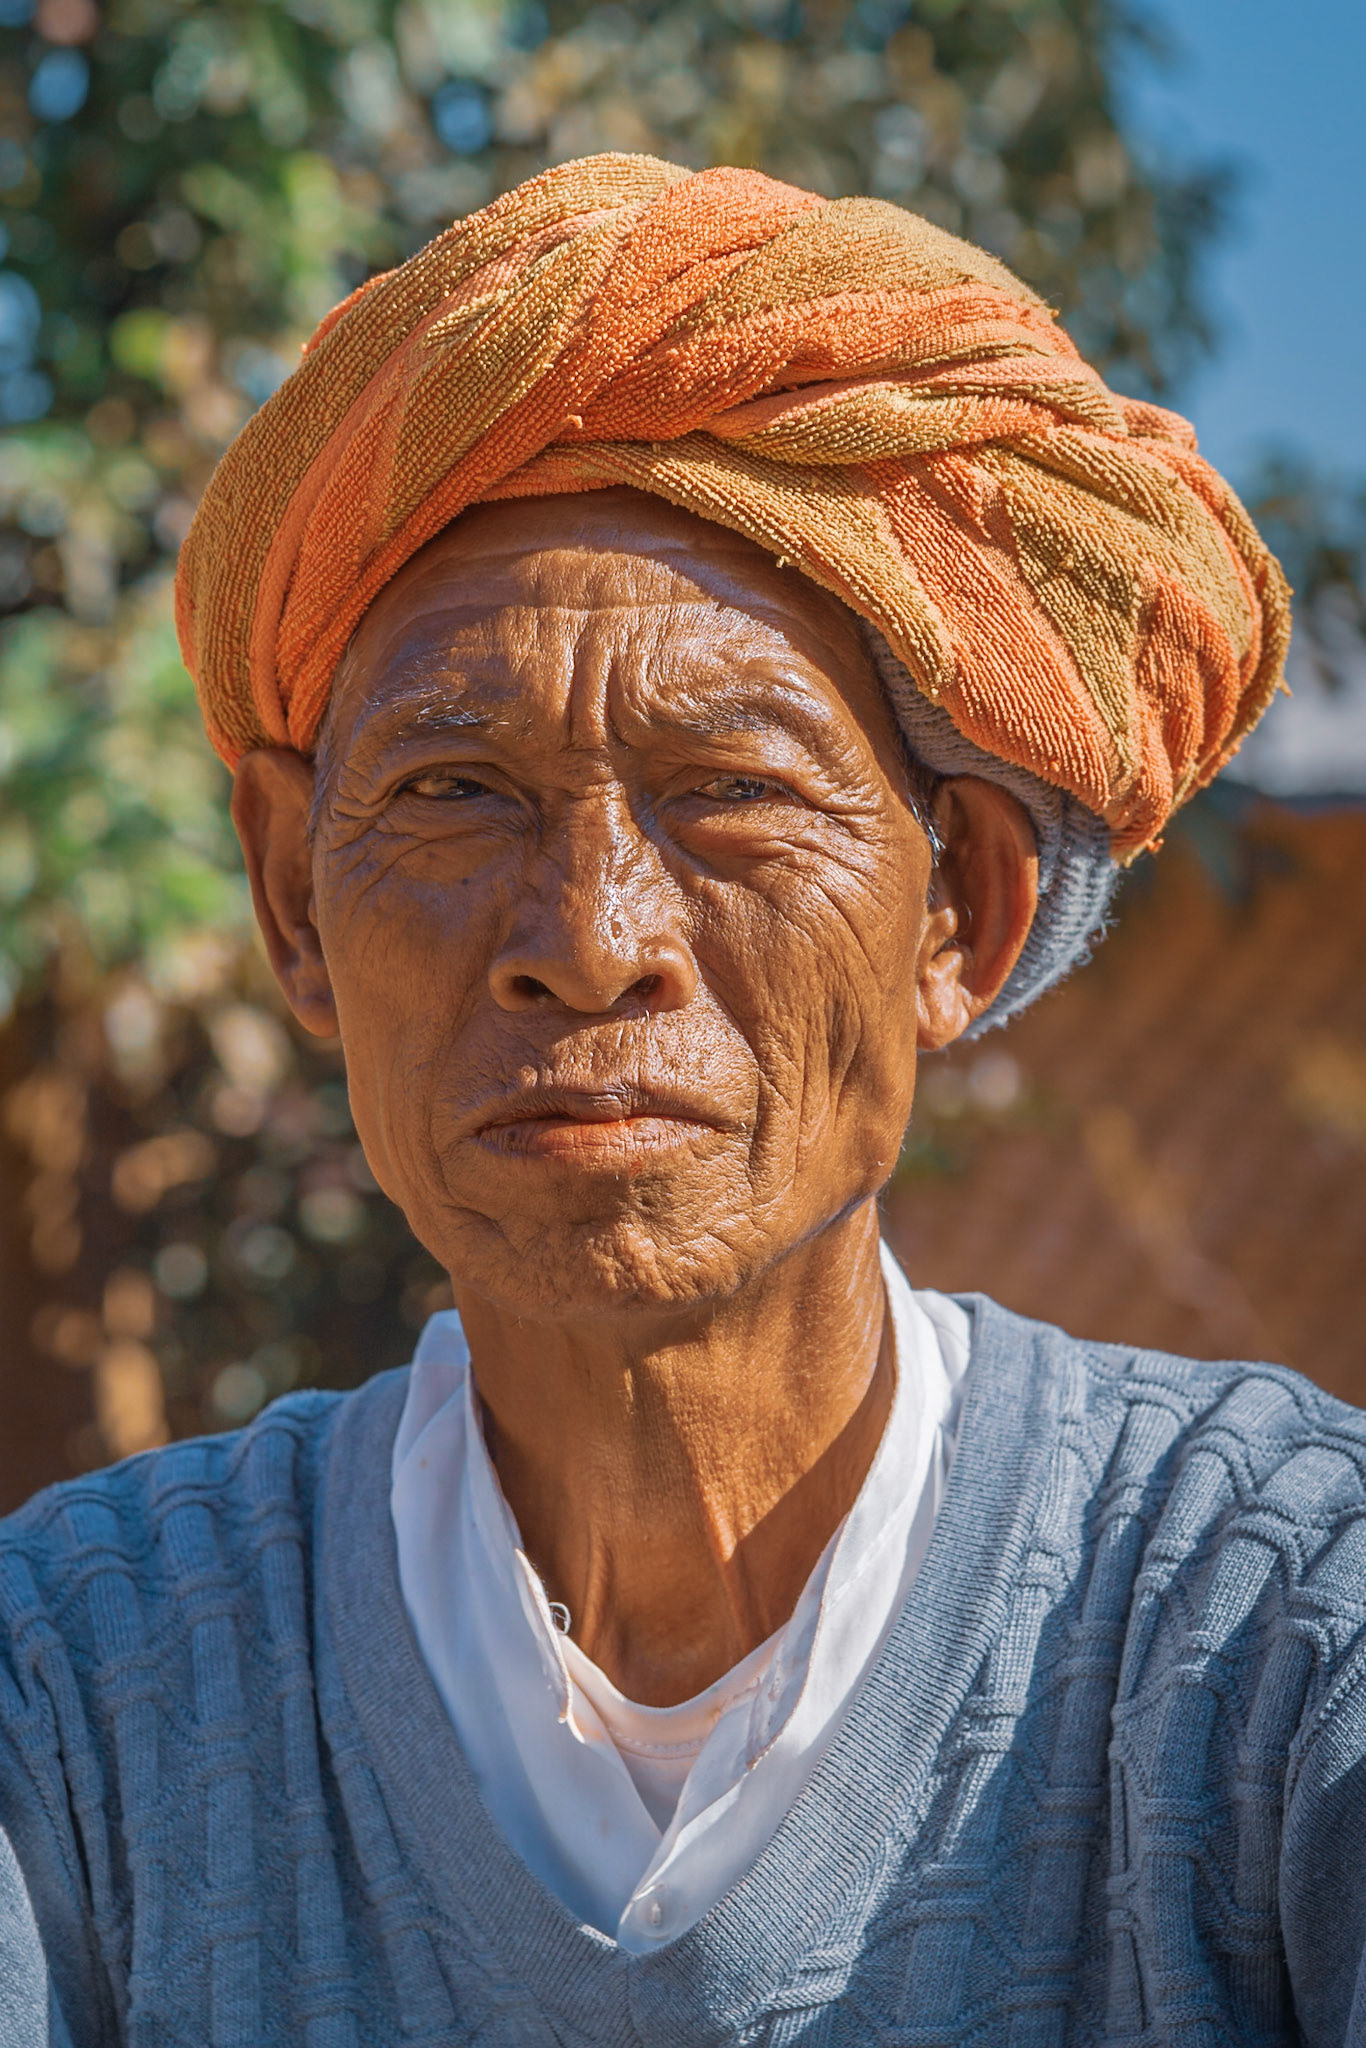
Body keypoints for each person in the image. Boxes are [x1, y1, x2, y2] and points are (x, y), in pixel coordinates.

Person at [1, 153, 1361, 2047]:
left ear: (962, 910)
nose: (586, 937)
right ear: (293, 905)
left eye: (730, 790)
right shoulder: (69, 1684)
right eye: (451, 790)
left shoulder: (1281, 1621)